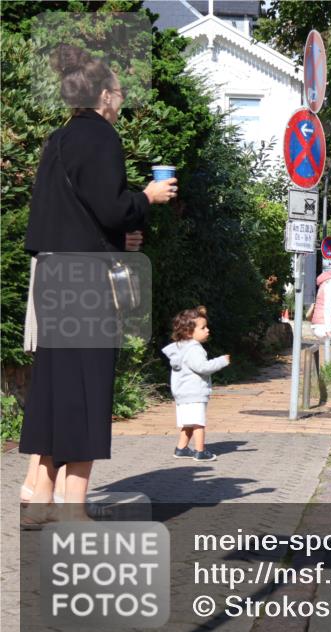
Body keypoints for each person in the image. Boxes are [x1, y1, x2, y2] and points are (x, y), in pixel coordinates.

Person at [19, 44, 176, 526]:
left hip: (52, 274)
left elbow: (74, 213)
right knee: (87, 388)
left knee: (54, 386)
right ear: (105, 96)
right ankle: (72, 508)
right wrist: (146, 198)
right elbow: (110, 206)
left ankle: (38, 495)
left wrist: (116, 230)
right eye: (121, 94)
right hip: (85, 279)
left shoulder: (59, 138)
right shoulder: (103, 137)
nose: (122, 102)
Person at [161, 307, 230, 462]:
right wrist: (221, 361)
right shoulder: (194, 349)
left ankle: (181, 448)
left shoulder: (180, 348)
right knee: (198, 423)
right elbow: (203, 368)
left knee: (188, 423)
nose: (207, 330)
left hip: (183, 393)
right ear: (188, 332)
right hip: (194, 392)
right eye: (203, 328)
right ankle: (200, 451)